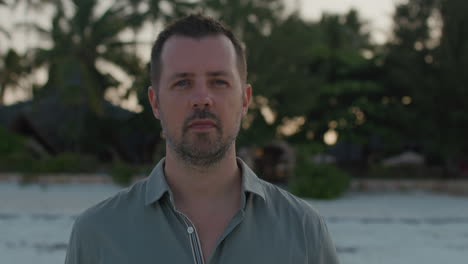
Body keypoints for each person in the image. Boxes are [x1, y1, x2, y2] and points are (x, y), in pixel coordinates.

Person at [65, 14, 339, 264]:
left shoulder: (303, 229)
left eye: (219, 81)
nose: (202, 99)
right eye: (182, 83)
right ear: (155, 102)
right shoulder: (97, 234)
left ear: (245, 100)